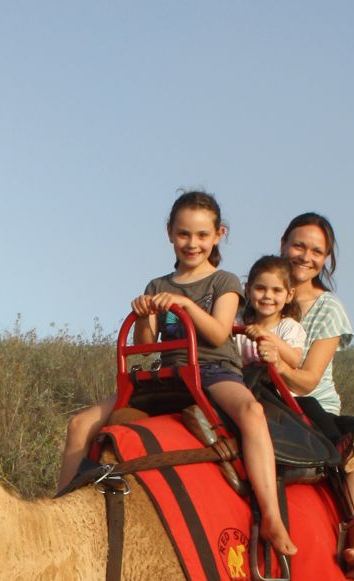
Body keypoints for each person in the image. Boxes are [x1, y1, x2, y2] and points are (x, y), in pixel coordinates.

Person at [58, 192, 297, 558]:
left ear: (219, 235)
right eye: (184, 234)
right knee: (80, 424)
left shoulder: (225, 282)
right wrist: (142, 315)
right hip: (165, 374)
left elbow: (218, 333)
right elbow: (147, 345)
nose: (193, 243)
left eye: (202, 235)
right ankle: (62, 513)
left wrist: (185, 304)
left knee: (252, 413)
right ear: (170, 233)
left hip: (214, 370)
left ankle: (271, 515)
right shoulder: (158, 285)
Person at [267, 213, 354, 577]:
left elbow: (309, 379)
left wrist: (276, 364)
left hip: (308, 402)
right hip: (262, 396)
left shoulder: (329, 308)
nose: (305, 256)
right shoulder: (263, 288)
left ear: (326, 259)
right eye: (299, 245)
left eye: (317, 251)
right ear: (283, 243)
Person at [234, 255, 306, 370]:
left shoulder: (289, 327)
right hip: (241, 383)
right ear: (248, 290)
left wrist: (266, 335)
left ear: (289, 295)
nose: (267, 296)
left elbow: (295, 361)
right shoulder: (238, 323)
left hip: (274, 386)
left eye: (277, 290)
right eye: (260, 289)